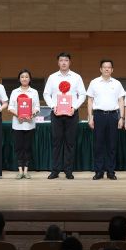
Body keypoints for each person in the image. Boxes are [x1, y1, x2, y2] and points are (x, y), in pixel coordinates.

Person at [43, 52, 86, 180]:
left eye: (66, 60)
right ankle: (55, 170)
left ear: (69, 62)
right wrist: (53, 106)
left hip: (72, 113)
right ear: (58, 62)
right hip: (56, 113)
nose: (63, 62)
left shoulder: (76, 77)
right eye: (61, 60)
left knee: (70, 143)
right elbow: (46, 94)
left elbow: (82, 94)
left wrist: (75, 107)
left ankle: (68, 170)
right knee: (56, 142)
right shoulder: (52, 77)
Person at [86, 59, 125, 180]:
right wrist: (90, 117)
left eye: (109, 67)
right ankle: (99, 171)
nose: (107, 69)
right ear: (100, 69)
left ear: (112, 70)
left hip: (113, 116)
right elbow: (90, 101)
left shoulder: (117, 83)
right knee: (98, 145)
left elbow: (121, 101)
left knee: (112, 145)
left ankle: (111, 171)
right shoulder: (94, 82)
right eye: (104, 67)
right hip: (98, 115)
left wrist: (121, 117)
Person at [8, 68, 40, 179]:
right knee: (18, 148)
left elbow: (37, 107)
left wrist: (32, 114)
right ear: (19, 79)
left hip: (29, 124)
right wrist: (18, 115)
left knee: (27, 148)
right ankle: (20, 171)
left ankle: (26, 171)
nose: (24, 79)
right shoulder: (14, 92)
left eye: (26, 77)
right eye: (22, 77)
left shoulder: (34, 92)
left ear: (30, 79)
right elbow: (10, 107)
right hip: (17, 124)